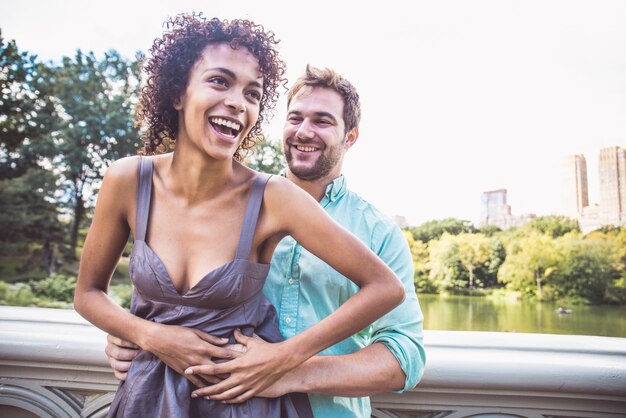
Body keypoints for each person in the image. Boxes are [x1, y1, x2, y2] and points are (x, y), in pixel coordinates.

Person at [73, 14, 405, 418]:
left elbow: (386, 289)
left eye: (252, 93)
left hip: (242, 406)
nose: (237, 101)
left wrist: (285, 359)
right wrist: (145, 334)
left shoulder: (274, 197)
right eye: (219, 81)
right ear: (178, 92)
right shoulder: (127, 179)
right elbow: (88, 293)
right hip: (145, 398)